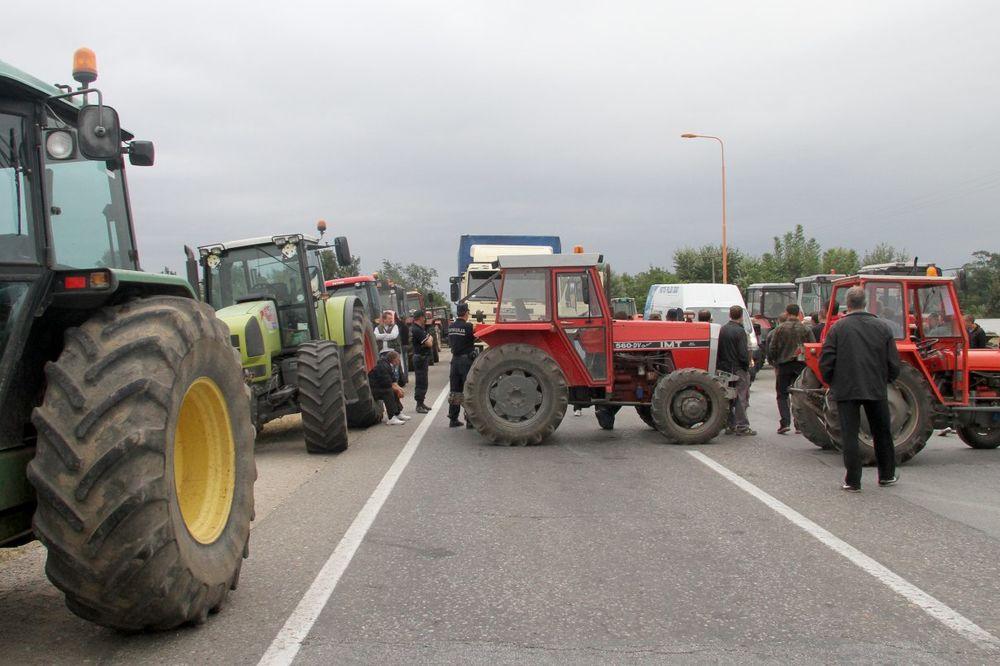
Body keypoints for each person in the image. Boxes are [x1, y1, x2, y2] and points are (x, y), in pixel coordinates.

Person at [819, 286, 900, 491]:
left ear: (848, 304)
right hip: (875, 387)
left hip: (847, 388)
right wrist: (886, 380)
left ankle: (853, 480)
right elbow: (894, 363)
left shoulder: (838, 328)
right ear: (865, 303)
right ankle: (887, 474)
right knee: (882, 432)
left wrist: (832, 382)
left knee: (850, 434)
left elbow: (826, 361)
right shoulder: (882, 327)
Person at [768, 303, 815, 434]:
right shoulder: (806, 329)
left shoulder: (780, 329)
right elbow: (811, 346)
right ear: (799, 313)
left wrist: (774, 362)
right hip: (800, 365)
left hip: (784, 365)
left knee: (782, 394)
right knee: (799, 394)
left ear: (787, 313)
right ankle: (799, 424)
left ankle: (785, 422)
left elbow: (773, 348)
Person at [716, 305, 755, 436]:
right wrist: (746, 367)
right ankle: (742, 425)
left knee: (728, 396)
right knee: (741, 397)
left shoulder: (723, 329)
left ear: (730, 315)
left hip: (724, 367)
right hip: (738, 368)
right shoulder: (740, 331)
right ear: (741, 316)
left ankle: (730, 424)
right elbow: (743, 353)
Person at [447, 303, 477, 428]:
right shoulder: (469, 326)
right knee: (468, 391)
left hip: (454, 361)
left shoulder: (451, 327)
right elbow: (476, 337)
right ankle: (470, 420)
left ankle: (453, 419)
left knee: (455, 390)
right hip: (466, 361)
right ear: (466, 313)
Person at [368, 350, 409, 425]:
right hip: (372, 390)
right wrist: (398, 390)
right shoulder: (383, 366)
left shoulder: (389, 365)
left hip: (380, 387)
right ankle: (391, 417)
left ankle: (397, 413)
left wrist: (400, 389)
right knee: (388, 391)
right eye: (398, 359)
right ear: (394, 359)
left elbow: (393, 381)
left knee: (394, 391)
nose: (399, 361)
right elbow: (387, 384)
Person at [409, 309, 434, 413]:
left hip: (422, 357)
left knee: (423, 382)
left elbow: (430, 339)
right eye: (424, 317)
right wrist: (429, 339)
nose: (425, 319)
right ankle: (419, 405)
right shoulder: (417, 330)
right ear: (420, 317)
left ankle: (421, 403)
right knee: (421, 381)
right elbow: (429, 343)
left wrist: (429, 339)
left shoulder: (419, 329)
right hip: (420, 357)